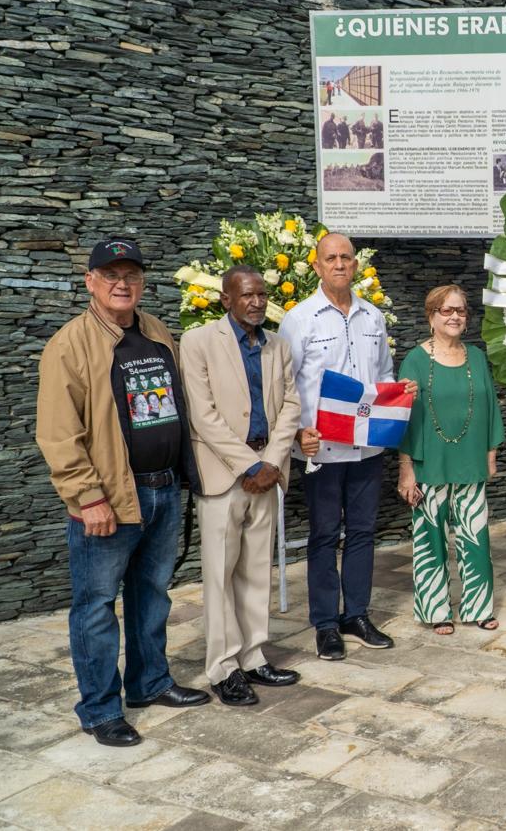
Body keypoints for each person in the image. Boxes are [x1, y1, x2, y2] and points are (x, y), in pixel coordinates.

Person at [35, 239, 209, 748]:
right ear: (90, 282)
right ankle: (99, 710)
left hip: (162, 490)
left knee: (152, 595)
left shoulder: (156, 331)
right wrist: (88, 496)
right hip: (110, 498)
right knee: (95, 606)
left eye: (130, 274)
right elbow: (58, 432)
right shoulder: (70, 344)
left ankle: (150, 683)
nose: (121, 284)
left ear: (142, 282)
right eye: (110, 274)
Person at [279, 233, 416, 661]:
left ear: (356, 266)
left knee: (361, 532)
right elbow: (285, 384)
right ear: (317, 266)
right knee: (322, 535)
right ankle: (324, 624)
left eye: (346, 258)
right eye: (330, 258)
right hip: (321, 449)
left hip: (366, 448)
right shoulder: (299, 319)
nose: (339, 264)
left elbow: (383, 374)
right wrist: (300, 432)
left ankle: (356, 614)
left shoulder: (373, 316)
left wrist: (398, 393)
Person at [182, 266, 303, 705]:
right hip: (223, 474)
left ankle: (253, 656)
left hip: (266, 472)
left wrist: (270, 462)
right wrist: (249, 465)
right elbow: (203, 415)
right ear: (226, 299)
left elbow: (291, 404)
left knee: (256, 572)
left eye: (262, 294)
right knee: (219, 574)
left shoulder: (278, 346)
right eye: (246, 295)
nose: (256, 301)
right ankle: (222, 667)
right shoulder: (197, 343)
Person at [397, 285, 505, 635]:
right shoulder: (414, 360)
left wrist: (491, 453)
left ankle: (479, 606)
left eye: (460, 310)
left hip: (470, 460)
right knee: (431, 539)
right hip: (430, 463)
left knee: (476, 538)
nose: (455, 316)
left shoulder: (476, 356)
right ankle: (435, 609)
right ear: (431, 316)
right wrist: (406, 469)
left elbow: (490, 407)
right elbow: (403, 419)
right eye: (447, 310)